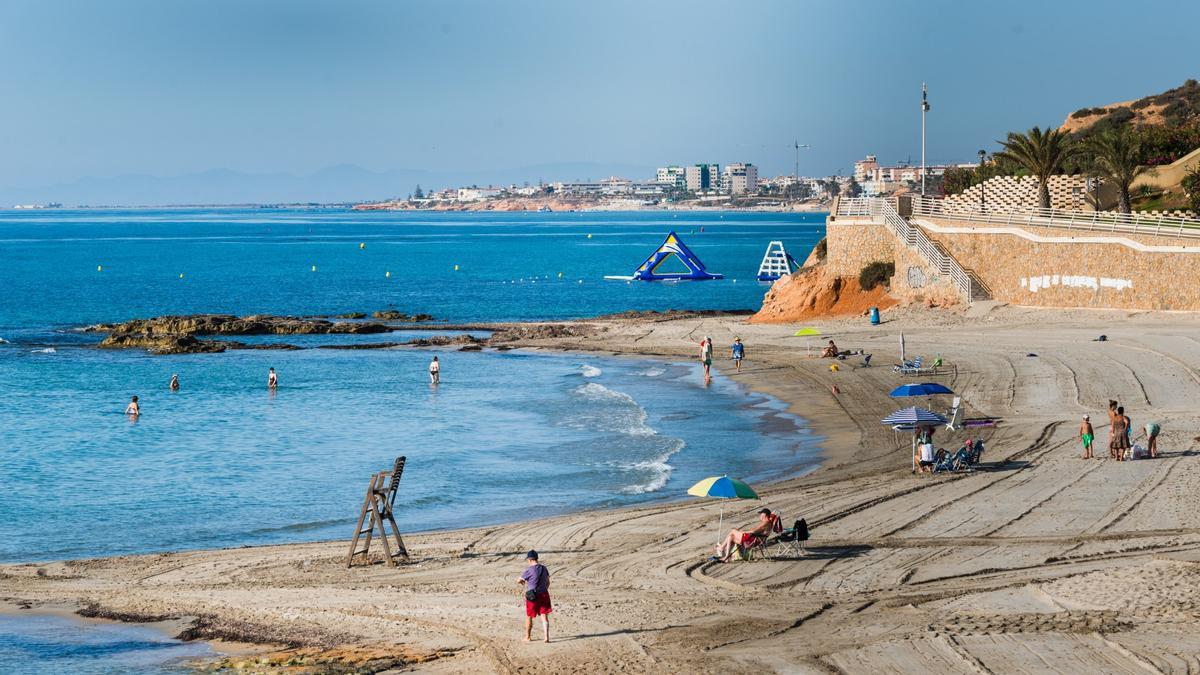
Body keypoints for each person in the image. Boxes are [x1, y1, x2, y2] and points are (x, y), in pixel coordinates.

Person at [517, 550, 551, 643]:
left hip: (532, 595)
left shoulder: (529, 570)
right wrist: (544, 588)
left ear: (529, 559)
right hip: (544, 593)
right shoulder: (544, 568)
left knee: (529, 616)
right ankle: (546, 637)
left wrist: (522, 581)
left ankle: (527, 637)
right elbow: (548, 582)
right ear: (537, 558)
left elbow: (519, 580)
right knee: (544, 615)